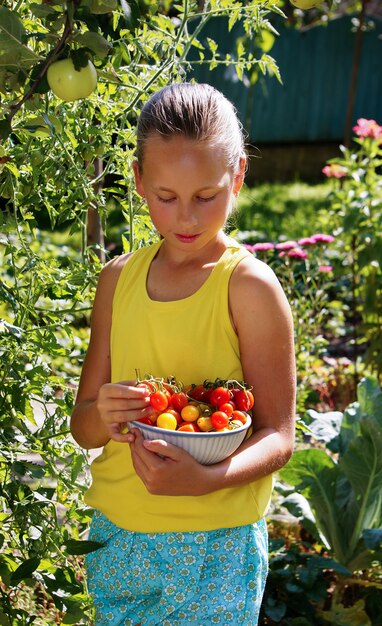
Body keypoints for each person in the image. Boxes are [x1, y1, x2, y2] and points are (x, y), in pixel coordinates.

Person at [70, 82, 296, 626]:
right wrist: (104, 412)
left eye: (207, 196)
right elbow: (83, 429)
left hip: (214, 546)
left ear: (238, 176)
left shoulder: (248, 287)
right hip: (117, 536)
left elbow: (280, 436)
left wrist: (206, 480)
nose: (186, 219)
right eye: (167, 198)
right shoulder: (117, 280)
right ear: (139, 180)